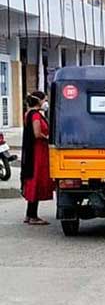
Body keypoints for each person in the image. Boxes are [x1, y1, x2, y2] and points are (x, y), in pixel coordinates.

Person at [20, 91, 54, 225]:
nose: (45, 103)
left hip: (33, 151)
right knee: (36, 180)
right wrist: (48, 138)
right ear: (39, 101)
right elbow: (37, 133)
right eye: (44, 100)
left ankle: (30, 214)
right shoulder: (35, 116)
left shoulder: (28, 114)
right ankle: (33, 216)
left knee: (33, 180)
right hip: (38, 152)